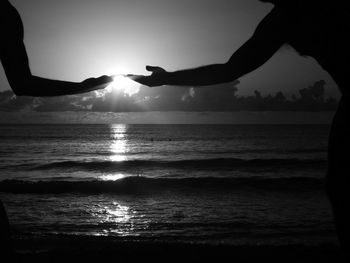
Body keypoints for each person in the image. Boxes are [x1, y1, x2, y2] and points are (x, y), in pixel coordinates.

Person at [130, 0, 350, 254]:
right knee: (338, 187)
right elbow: (230, 69)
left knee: (339, 187)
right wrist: (168, 78)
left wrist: (168, 78)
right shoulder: (277, 21)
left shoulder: (289, 16)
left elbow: (229, 70)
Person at [0, 0, 112, 256]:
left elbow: (22, 84)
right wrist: (84, 87)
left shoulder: (5, 14)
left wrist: (84, 86)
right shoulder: (5, 14)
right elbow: (23, 84)